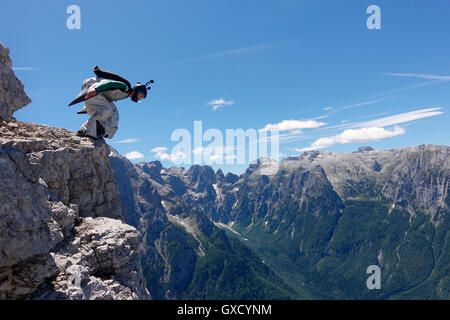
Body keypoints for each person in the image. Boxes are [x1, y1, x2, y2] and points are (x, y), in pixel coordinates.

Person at [70, 66, 153, 139]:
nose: (139, 98)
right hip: (94, 88)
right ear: (137, 91)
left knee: (114, 113)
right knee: (108, 111)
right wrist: (96, 90)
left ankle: (84, 129)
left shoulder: (124, 94)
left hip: (97, 92)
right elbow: (110, 83)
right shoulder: (125, 88)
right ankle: (91, 132)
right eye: (140, 96)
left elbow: (106, 99)